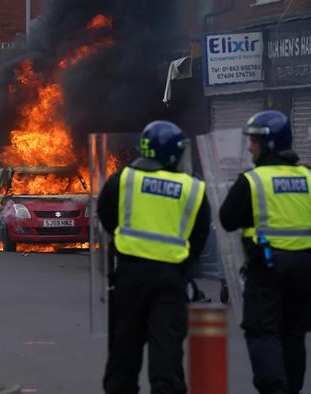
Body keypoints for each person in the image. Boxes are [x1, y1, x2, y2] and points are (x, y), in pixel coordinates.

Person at [97, 120, 211, 394]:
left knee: (123, 357)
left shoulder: (124, 179)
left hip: (129, 277)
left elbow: (106, 214)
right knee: (167, 359)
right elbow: (199, 236)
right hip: (171, 280)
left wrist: (125, 241)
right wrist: (185, 263)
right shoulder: (191, 188)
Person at [219, 110, 311, 394]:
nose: (250, 147)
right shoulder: (308, 177)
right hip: (305, 270)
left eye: (255, 141)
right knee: (293, 335)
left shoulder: (253, 181)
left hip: (267, 268)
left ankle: (275, 389)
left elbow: (228, 218)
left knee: (262, 331)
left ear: (269, 144)